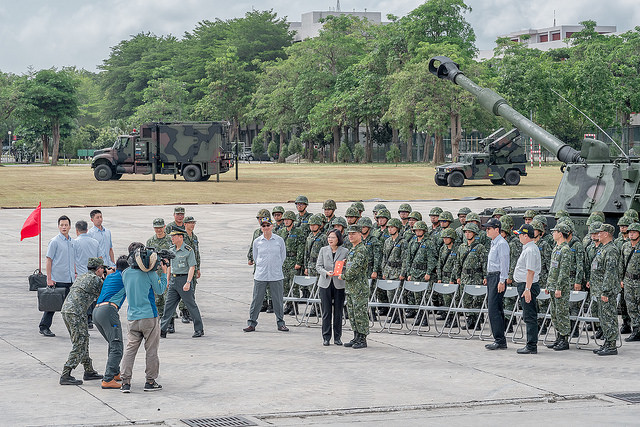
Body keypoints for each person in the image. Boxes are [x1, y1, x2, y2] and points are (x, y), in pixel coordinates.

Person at [120, 244, 168, 392]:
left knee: (130, 350)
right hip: (149, 317)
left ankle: (125, 382)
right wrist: (163, 272)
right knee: (151, 350)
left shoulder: (126, 273)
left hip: (132, 317)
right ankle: (150, 381)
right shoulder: (150, 274)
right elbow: (160, 290)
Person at [59, 257, 107, 385]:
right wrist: (108, 278)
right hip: (76, 312)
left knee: (83, 339)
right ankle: (66, 373)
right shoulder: (95, 279)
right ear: (98, 269)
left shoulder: (82, 276)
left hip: (68, 310)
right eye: (103, 268)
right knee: (80, 342)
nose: (104, 271)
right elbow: (105, 293)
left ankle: (88, 370)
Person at [243, 217, 289, 332]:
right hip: (261, 275)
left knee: (277, 300)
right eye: (263, 226)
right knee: (257, 300)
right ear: (261, 228)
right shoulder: (257, 241)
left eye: (268, 225)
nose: (266, 228)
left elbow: (283, 256)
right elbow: (256, 256)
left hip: (276, 274)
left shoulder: (279, 240)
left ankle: (280, 323)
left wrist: (275, 266)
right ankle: (252, 323)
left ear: (272, 226)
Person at [160, 228, 204, 338]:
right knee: (168, 306)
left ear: (181, 237)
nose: (172, 238)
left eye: (174, 236)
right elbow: (170, 266)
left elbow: (192, 267)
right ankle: (163, 329)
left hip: (184, 279)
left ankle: (199, 329)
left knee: (191, 306)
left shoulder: (188, 250)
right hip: (174, 280)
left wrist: (188, 282)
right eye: (171, 236)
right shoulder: (171, 249)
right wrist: (167, 279)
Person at [93, 255, 129, 389]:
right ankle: (107, 379)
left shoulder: (110, 276)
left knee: (112, 342)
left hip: (97, 312)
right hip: (108, 310)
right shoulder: (125, 277)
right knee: (117, 345)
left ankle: (114, 372)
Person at [589, 223, 621, 356]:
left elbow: (610, 272)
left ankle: (612, 345)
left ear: (606, 234)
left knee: (609, 317)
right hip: (599, 290)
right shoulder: (603, 248)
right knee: (603, 317)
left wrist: (606, 291)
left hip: (606, 291)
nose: (598, 235)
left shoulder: (611, 250)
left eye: (600, 232)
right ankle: (607, 342)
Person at [40, 215, 76, 337]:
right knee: (52, 305)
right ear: (58, 226)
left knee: (71, 306)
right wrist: (49, 278)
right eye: (61, 225)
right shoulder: (54, 241)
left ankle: (74, 329)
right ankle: (44, 327)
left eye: (66, 225)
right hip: (58, 279)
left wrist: (75, 273)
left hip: (70, 278)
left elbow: (73, 260)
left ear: (70, 226)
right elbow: (49, 260)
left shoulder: (72, 242)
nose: (64, 227)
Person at [315, 229, 348, 346]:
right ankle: (326, 337)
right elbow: (318, 266)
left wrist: (344, 265)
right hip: (325, 283)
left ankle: (338, 337)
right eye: (329, 237)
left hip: (339, 284)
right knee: (326, 311)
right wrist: (325, 272)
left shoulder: (345, 251)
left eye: (333, 237)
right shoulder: (323, 250)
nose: (330, 239)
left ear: (338, 239)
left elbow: (348, 267)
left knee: (338, 312)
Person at [513, 224, 542, 354]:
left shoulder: (530, 250)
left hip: (527, 285)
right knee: (528, 315)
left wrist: (527, 289)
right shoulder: (528, 248)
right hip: (525, 285)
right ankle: (530, 344)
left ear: (526, 236)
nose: (518, 237)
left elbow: (530, 272)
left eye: (520, 234)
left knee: (529, 316)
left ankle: (531, 345)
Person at [340, 224, 370, 349]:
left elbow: (355, 269)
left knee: (360, 312)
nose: (350, 236)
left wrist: (343, 276)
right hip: (351, 287)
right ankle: (356, 336)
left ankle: (362, 338)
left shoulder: (361, 249)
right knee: (352, 312)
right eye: (349, 234)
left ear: (360, 235)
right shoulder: (352, 250)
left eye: (353, 234)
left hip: (359, 287)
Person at [484, 218, 510, 350]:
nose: (487, 231)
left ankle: (499, 340)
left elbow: (504, 263)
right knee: (493, 308)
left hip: (497, 277)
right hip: (492, 276)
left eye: (489, 228)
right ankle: (499, 339)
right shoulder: (494, 243)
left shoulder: (501, 244)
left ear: (497, 229)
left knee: (494, 309)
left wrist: (502, 280)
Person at [546, 222, 573, 351]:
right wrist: (548, 285)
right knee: (555, 313)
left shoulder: (565, 249)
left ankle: (564, 339)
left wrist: (559, 287)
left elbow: (563, 271)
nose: (553, 233)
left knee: (562, 313)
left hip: (560, 287)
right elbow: (552, 269)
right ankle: (559, 337)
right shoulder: (556, 248)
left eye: (555, 231)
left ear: (560, 233)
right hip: (553, 285)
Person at [146, 218, 173, 332]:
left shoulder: (170, 240)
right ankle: (160, 322)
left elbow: (172, 258)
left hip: (168, 271)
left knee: (168, 299)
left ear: (164, 227)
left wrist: (168, 275)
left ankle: (170, 323)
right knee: (158, 298)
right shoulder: (150, 241)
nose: (158, 230)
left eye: (160, 227)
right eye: (156, 227)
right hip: (155, 273)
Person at [74, 219, 100, 328]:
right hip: (93, 273)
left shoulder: (74, 242)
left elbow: (73, 259)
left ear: (77, 230)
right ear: (87, 229)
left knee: (82, 298)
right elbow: (99, 258)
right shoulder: (95, 242)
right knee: (93, 297)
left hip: (80, 273)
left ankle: (86, 318)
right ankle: (91, 318)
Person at [180, 216, 201, 324]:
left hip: (193, 267)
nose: (192, 225)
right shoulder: (182, 237)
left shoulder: (194, 237)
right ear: (185, 224)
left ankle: (188, 311)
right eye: (190, 223)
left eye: (193, 223)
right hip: (184, 268)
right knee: (184, 290)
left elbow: (197, 254)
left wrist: (198, 268)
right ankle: (183, 311)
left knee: (192, 290)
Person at [622, 222, 640, 342]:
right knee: (631, 306)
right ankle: (636, 330)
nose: (631, 234)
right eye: (630, 232)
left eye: (634, 232)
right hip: (628, 280)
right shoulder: (625, 246)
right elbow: (621, 264)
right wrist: (621, 279)